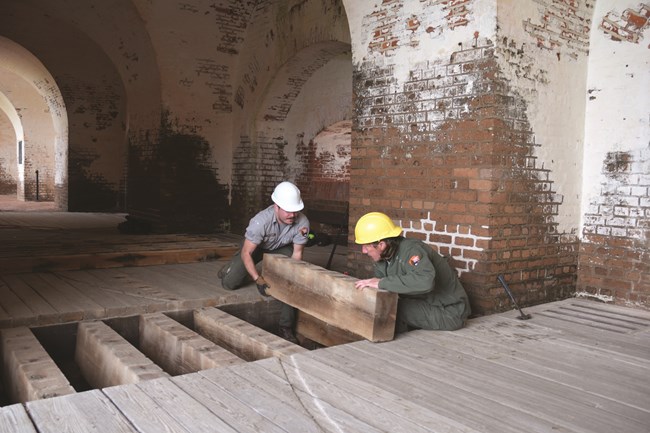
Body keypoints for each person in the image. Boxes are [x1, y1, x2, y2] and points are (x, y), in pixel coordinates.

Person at [218, 181, 310, 343]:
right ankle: (228, 269)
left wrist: (290, 274)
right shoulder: (260, 222)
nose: (293, 215)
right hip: (256, 248)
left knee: (292, 282)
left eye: (295, 211)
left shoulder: (302, 223)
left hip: (281, 249)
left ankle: (285, 327)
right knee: (230, 283)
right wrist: (257, 278)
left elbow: (297, 253)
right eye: (288, 211)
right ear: (276, 206)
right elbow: (247, 252)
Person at [353, 212, 471, 333]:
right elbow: (382, 290)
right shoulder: (382, 258)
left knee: (391, 310)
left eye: (366, 246)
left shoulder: (411, 251)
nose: (363, 251)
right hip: (423, 304)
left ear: (381, 245)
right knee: (381, 307)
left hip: (449, 312)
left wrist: (381, 283)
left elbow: (425, 281)